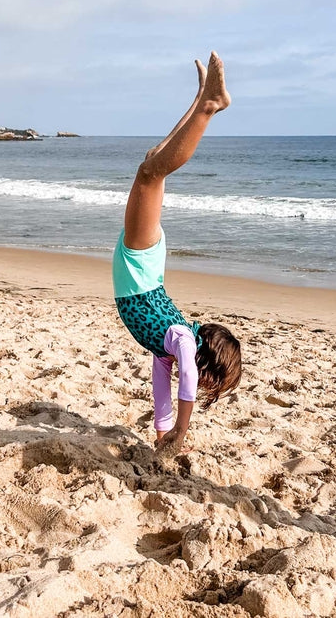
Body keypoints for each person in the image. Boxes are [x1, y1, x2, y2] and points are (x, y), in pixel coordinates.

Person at [112, 51, 242, 455]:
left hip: (143, 267)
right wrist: (182, 432)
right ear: (209, 365)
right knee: (151, 172)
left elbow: (162, 393)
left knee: (153, 163)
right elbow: (185, 384)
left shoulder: (167, 347)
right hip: (140, 264)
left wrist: (163, 433)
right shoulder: (184, 341)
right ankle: (207, 105)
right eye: (212, 384)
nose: (203, 389)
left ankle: (204, 98)